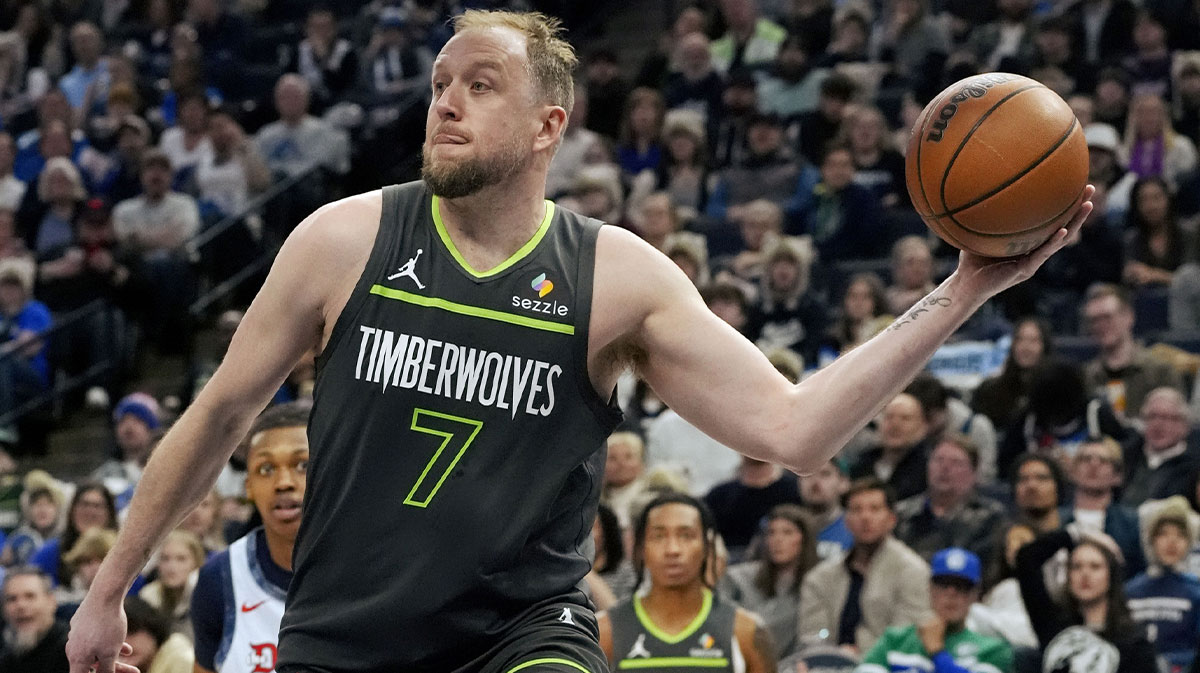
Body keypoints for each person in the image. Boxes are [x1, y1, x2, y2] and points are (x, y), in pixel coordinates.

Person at [67, 10, 1096, 673]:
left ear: (549, 125)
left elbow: (794, 429)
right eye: (438, 84)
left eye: (479, 84)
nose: (446, 104)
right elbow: (217, 418)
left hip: (521, 635)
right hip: (345, 635)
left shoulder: (617, 276)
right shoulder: (341, 239)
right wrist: (108, 589)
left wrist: (968, 286)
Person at [597, 493, 777, 672]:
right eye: (659, 536)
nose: (672, 549)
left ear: (707, 546)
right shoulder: (604, 631)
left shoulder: (745, 631)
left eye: (686, 535)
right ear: (641, 549)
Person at [190, 402, 309, 673]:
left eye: (302, 464)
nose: (284, 483)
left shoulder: (372, 573)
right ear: (249, 487)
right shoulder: (219, 578)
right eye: (266, 469)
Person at [799, 478, 932, 654]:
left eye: (875, 509)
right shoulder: (820, 577)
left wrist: (860, 652)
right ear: (846, 521)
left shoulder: (913, 571)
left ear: (892, 519)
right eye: (856, 510)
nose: (865, 517)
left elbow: (907, 637)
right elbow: (813, 635)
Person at [1016, 524, 1158, 673]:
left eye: (1095, 566)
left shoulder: (1134, 641)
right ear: (1068, 575)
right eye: (1077, 566)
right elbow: (1026, 558)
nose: (1085, 574)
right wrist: (1075, 534)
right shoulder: (1053, 624)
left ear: (1111, 576)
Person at [856, 548, 1013, 673]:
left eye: (961, 586)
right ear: (930, 589)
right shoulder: (895, 640)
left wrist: (937, 652)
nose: (951, 594)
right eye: (944, 584)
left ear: (975, 595)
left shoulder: (993, 650)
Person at [893, 434, 1008, 566]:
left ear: (974, 473)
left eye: (956, 463)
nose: (945, 468)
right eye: (938, 460)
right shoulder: (900, 513)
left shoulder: (990, 517)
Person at [726, 503, 818, 658]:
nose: (777, 540)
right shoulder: (740, 578)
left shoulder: (817, 582)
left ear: (804, 539)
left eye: (787, 533)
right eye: (771, 533)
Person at [1081, 283, 1183, 421]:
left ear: (1128, 316)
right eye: (1094, 320)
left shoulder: (1161, 371)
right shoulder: (1085, 377)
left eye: (1107, 317)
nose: (1101, 325)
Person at [1125, 496, 1200, 673]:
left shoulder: (1195, 592)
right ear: (1150, 539)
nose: (1171, 542)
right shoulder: (1130, 590)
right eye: (1163, 533)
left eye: (1180, 535)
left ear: (1189, 543)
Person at [1060, 437, 1146, 576]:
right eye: (1085, 459)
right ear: (1073, 472)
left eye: (1103, 460)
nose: (1094, 464)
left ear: (1118, 475)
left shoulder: (1131, 522)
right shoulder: (1056, 519)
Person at [850, 393, 935, 502]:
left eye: (905, 418)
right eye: (889, 417)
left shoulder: (929, 468)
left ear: (923, 426)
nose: (895, 425)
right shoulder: (861, 464)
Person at [1122, 387, 1199, 506]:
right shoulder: (1126, 456)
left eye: (1166, 418)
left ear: (1184, 424)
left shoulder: (1195, 466)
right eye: (1152, 417)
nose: (1158, 424)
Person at [0, 566, 70, 672]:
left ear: (51, 602)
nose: (20, 605)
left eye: (30, 596)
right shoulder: (6, 658)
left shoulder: (71, 650)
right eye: (12, 599)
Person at [137, 530, 203, 639]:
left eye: (181, 559)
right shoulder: (149, 596)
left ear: (196, 563)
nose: (171, 567)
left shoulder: (206, 596)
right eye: (165, 559)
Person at [799, 459, 852, 560]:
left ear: (843, 483)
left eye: (825, 474)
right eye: (807, 474)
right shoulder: (777, 527)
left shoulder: (856, 529)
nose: (815, 482)